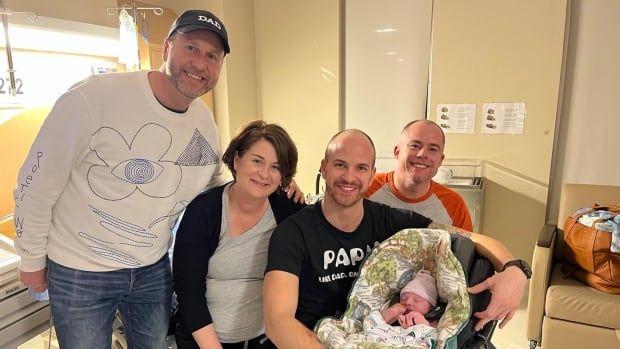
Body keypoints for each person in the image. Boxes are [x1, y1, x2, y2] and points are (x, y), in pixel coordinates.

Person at [13, 10, 233, 349]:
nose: (200, 63)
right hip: (79, 271)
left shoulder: (204, 123)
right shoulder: (94, 98)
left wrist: (271, 190)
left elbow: (216, 183)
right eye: (191, 48)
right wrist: (31, 259)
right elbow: (37, 182)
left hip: (152, 269)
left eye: (212, 56)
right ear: (166, 49)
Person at [263, 129, 528, 349]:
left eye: (361, 168)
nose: (349, 177)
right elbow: (277, 321)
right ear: (324, 167)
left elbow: (473, 238)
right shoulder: (293, 232)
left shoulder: (392, 222)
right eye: (340, 164)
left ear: (371, 173)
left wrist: (516, 270)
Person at [173, 120, 305, 349]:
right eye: (257, 161)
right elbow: (188, 292)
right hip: (204, 342)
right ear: (237, 159)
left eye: (276, 167)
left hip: (263, 340)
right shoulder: (204, 211)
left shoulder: (287, 209)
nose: (264, 174)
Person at [365, 120, 473, 231]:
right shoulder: (366, 189)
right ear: (397, 151)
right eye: (415, 146)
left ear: (441, 160)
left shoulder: (454, 205)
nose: (422, 154)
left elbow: (468, 245)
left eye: (432, 149)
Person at [362, 270, 438, 347]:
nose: (408, 302)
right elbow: (369, 327)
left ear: (431, 307)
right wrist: (385, 317)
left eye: (417, 300)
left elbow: (439, 340)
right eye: (404, 298)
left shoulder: (435, 322)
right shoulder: (390, 311)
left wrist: (423, 324)